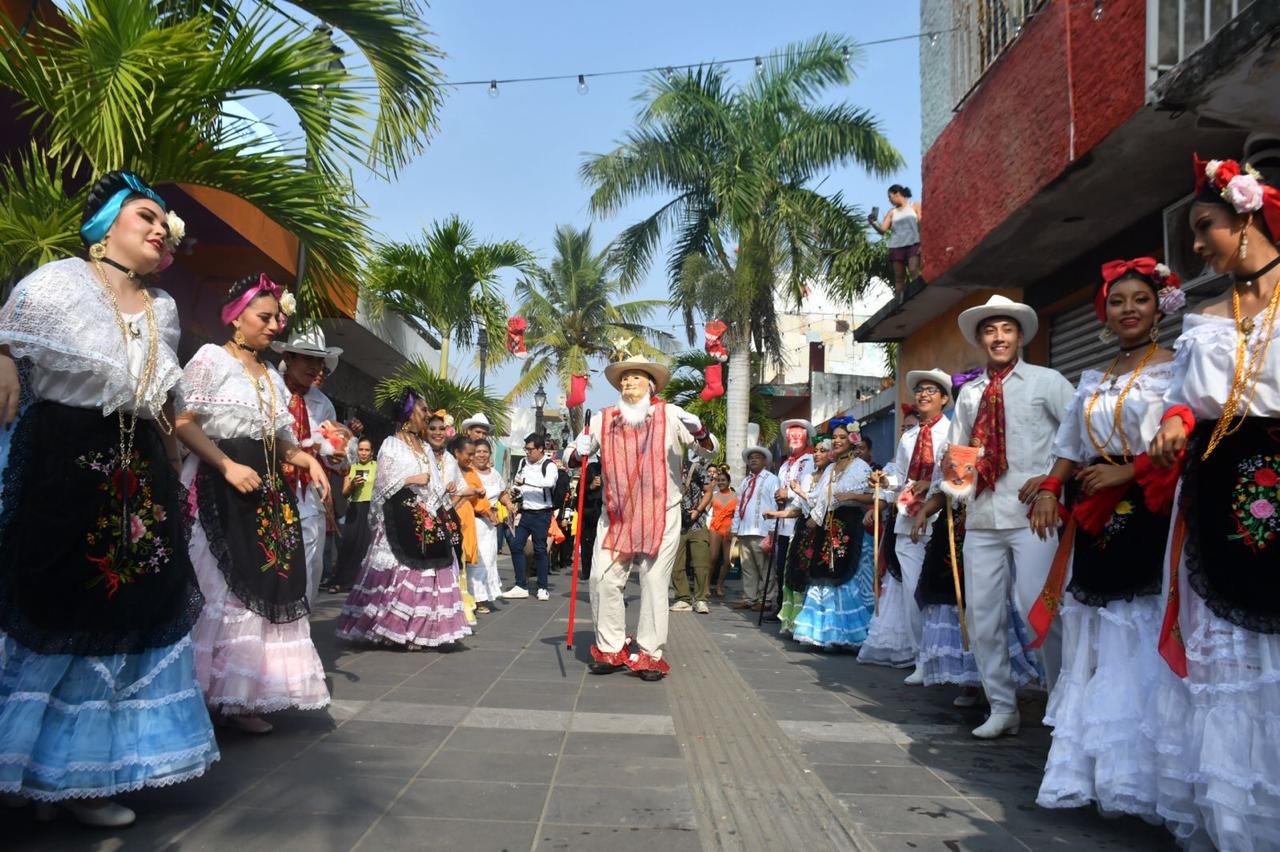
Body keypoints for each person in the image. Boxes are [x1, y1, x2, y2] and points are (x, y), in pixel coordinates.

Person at [0, 172, 217, 827]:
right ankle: (22, 767)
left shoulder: (165, 309)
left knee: (124, 611)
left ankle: (85, 779)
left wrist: (171, 470)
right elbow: (11, 338)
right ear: (108, 226)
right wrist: (4, 356)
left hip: (134, 477)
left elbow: (158, 400)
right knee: (50, 602)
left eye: (165, 224)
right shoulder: (58, 281)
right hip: (59, 462)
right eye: (146, 216)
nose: (159, 230)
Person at [1145, 154, 1280, 850]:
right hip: (1214, 488)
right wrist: (1173, 420)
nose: (1197, 246)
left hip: (1276, 477)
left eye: (1206, 227)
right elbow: (1183, 399)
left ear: (1247, 212)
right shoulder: (1203, 319)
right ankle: (1236, 823)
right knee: (1226, 656)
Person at [1026, 258, 1182, 818]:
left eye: (1139, 298)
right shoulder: (1093, 378)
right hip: (1093, 506)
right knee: (1092, 632)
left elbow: (1186, 437)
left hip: (1152, 504)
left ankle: (1142, 778)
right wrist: (1049, 489)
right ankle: (1093, 771)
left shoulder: (1178, 365)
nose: (1128, 310)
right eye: (1117, 302)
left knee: (1136, 628)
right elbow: (1070, 445)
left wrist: (1129, 471)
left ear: (1159, 305)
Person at [176, 274, 331, 735]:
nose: (273, 325)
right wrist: (225, 466)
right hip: (220, 486)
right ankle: (200, 693)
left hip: (265, 494)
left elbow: (281, 442)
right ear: (235, 316)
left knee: (263, 583)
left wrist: (309, 461)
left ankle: (241, 695)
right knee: (220, 586)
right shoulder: (210, 359)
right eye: (264, 317)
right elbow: (182, 421)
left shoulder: (271, 378)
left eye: (276, 318)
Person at [913, 295, 1074, 739]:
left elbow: (1077, 436)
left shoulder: (1048, 381)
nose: (999, 337)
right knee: (982, 615)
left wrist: (1050, 481)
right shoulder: (970, 393)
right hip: (982, 519)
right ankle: (1002, 706)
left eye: (1006, 329)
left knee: (1039, 609)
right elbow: (959, 453)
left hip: (1033, 517)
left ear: (1020, 336)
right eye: (990, 330)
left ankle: (1063, 702)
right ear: (981, 339)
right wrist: (944, 493)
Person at [570, 355, 712, 680]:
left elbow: (708, 450)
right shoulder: (602, 418)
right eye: (624, 379)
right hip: (616, 516)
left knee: (652, 582)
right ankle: (611, 647)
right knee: (601, 579)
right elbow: (574, 458)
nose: (628, 383)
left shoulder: (671, 414)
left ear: (651, 384)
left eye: (635, 377)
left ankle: (649, 653)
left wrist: (701, 431)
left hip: (661, 513)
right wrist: (577, 450)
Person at [338, 400, 470, 649]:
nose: (427, 416)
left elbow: (434, 483)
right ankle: (389, 628)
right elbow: (383, 483)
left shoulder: (424, 447)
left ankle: (418, 630)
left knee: (428, 569)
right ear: (409, 416)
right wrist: (411, 478)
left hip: (422, 515)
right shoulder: (392, 444)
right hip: (397, 519)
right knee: (397, 573)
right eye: (422, 411)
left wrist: (443, 494)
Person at [861, 370, 953, 672]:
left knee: (937, 595)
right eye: (920, 390)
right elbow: (900, 478)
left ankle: (945, 657)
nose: (924, 395)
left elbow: (957, 476)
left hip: (941, 520)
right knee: (912, 592)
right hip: (905, 522)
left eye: (931, 390)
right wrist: (883, 479)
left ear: (944, 398)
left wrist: (933, 486)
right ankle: (920, 659)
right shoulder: (908, 437)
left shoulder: (954, 433)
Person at [271, 327, 349, 606]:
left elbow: (330, 452)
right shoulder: (271, 388)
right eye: (306, 358)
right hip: (270, 483)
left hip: (308, 493)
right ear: (289, 358)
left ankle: (299, 624)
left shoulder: (323, 404)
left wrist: (335, 455)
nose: (314, 367)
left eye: (318, 361)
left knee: (309, 559)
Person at [790, 420, 877, 649]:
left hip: (851, 528)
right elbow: (819, 499)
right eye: (835, 437)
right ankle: (824, 634)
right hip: (828, 528)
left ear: (852, 440)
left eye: (842, 437)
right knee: (824, 575)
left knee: (848, 579)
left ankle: (851, 635)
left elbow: (874, 496)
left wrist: (852, 497)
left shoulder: (860, 467)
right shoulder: (830, 468)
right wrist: (809, 510)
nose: (837, 440)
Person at [762, 419, 816, 623]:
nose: (793, 440)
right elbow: (778, 494)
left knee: (798, 567)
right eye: (790, 436)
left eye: (797, 436)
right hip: (782, 524)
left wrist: (789, 495)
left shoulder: (811, 461)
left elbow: (810, 491)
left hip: (801, 521)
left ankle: (799, 612)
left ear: (805, 438)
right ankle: (782, 608)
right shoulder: (784, 465)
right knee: (780, 568)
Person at [502, 432, 560, 601]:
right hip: (525, 512)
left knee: (540, 549)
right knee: (515, 543)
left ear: (541, 449)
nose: (527, 452)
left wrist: (526, 482)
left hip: (542, 513)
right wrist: (516, 490)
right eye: (526, 449)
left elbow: (549, 483)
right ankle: (521, 584)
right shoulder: (522, 462)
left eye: (530, 449)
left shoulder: (549, 465)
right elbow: (518, 483)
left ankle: (542, 587)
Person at [731, 446, 782, 612]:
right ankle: (749, 598)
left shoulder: (771, 479)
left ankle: (765, 600)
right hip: (745, 530)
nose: (753, 460)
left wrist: (772, 530)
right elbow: (739, 505)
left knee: (765, 568)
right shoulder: (746, 481)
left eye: (757, 457)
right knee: (748, 568)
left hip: (762, 530)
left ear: (765, 461)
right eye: (751, 457)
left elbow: (776, 504)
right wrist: (735, 527)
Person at [325, 437, 376, 594]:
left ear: (372, 452)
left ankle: (366, 582)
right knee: (349, 546)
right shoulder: (351, 468)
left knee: (368, 546)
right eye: (361, 449)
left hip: (372, 508)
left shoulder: (378, 467)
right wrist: (353, 484)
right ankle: (342, 581)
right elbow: (344, 493)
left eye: (367, 450)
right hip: (355, 509)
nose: (363, 453)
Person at [670, 452, 714, 614]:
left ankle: (701, 599)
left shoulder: (695, 468)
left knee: (701, 562)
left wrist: (697, 511)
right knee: (676, 563)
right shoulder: (664, 469)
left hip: (697, 522)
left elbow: (708, 491)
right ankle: (683, 598)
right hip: (675, 523)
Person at [471, 439, 512, 609]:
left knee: (489, 560)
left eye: (485, 452)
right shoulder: (468, 473)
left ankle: (483, 595)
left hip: (490, 526)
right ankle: (474, 599)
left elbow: (502, 493)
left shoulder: (494, 473)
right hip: (474, 522)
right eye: (478, 451)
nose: (481, 455)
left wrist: (508, 504)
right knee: (476, 561)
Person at [448, 434, 486, 621]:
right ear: (456, 452)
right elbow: (449, 498)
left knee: (460, 564)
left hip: (465, 521)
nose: (471, 458)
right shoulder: (449, 468)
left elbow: (479, 499)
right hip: (450, 520)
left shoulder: (470, 472)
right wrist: (467, 493)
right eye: (468, 454)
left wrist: (484, 506)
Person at [869, 184, 923, 292]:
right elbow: (883, 230)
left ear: (897, 194)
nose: (889, 200)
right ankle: (899, 301)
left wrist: (922, 242)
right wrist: (873, 223)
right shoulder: (892, 212)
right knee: (899, 277)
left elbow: (922, 224)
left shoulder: (914, 206)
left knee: (913, 270)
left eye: (890, 197)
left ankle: (918, 293)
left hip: (913, 244)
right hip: (896, 246)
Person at [708, 471, 737, 598]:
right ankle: (706, 585)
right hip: (715, 528)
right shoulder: (713, 496)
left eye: (723, 480)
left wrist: (734, 528)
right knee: (712, 557)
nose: (721, 482)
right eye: (718, 480)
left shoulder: (736, 496)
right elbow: (704, 509)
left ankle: (719, 585)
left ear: (729, 482)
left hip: (729, 529)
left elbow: (739, 514)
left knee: (728, 560)